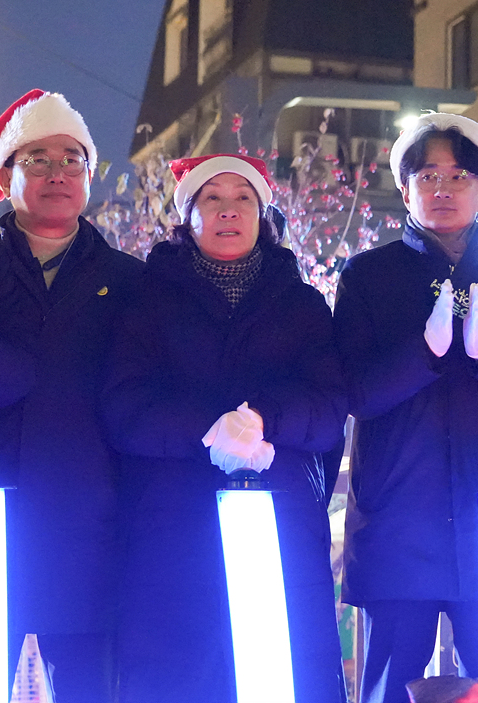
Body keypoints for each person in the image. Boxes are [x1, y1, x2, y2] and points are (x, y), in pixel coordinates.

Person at [335, 113, 478, 702]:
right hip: (399, 519)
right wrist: (425, 353)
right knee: (388, 689)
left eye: (460, 176)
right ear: (405, 188)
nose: (443, 188)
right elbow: (356, 393)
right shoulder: (369, 276)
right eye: (428, 176)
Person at [102, 154, 348, 703]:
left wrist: (263, 419)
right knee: (178, 680)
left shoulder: (303, 304)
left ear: (262, 214)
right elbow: (124, 407)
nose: (228, 210)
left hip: (279, 529)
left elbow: (330, 407)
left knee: (283, 674)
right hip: (172, 533)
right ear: (187, 215)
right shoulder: (145, 300)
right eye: (211, 198)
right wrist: (208, 429)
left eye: (243, 198)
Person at [0, 90, 142, 701]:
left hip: (87, 525)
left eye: (72, 160)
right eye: (37, 160)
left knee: (86, 684)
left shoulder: (130, 281)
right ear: (5, 178)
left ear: (89, 178)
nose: (57, 174)